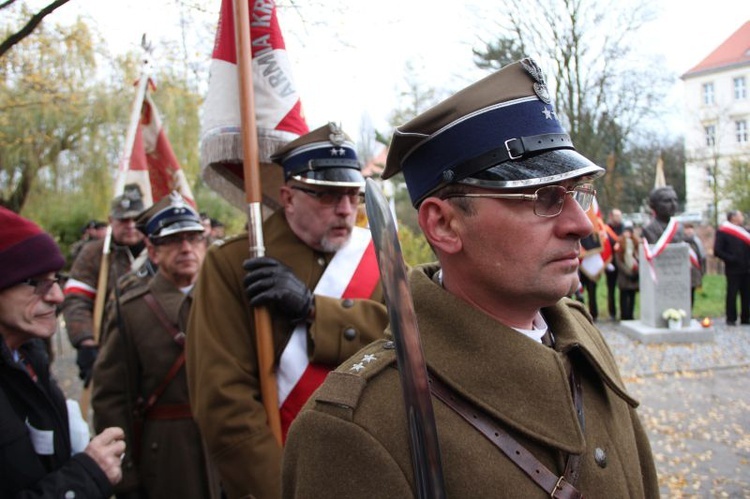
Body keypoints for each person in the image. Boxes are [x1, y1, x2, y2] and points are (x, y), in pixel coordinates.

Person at [283, 58, 658, 497]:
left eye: (578, 194)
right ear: (443, 225)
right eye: (544, 196)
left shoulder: (581, 336)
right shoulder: (356, 428)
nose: (583, 225)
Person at [186, 123, 389, 499]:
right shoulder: (233, 263)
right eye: (328, 196)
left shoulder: (379, 255)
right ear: (288, 196)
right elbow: (223, 402)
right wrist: (280, 489)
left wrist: (316, 312)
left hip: (374, 471)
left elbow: (408, 342)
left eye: (353, 195)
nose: (346, 210)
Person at [92, 192, 218, 498]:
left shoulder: (225, 300)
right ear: (152, 250)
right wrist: (126, 477)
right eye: (174, 240)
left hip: (224, 445)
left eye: (193, 238)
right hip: (166, 456)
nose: (186, 248)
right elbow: (111, 399)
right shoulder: (131, 309)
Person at [0, 206, 125, 498]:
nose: (57, 296)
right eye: (37, 283)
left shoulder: (28, 358)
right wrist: (86, 476)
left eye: (56, 279)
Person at [62, 184, 147, 387]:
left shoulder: (160, 250)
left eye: (136, 219)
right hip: (110, 349)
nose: (130, 225)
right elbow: (76, 299)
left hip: (155, 347)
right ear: (111, 221)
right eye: (123, 220)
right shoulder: (94, 253)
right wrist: (85, 341)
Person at [713, 210, 750, 326]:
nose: (742, 217)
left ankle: (746, 317)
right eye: (740, 215)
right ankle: (731, 318)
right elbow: (717, 250)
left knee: (747, 294)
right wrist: (731, 259)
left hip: (747, 268)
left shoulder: (745, 231)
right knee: (732, 293)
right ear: (733, 218)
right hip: (733, 268)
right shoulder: (723, 231)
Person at [615, 221, 640, 320]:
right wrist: (627, 272)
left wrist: (636, 271)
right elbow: (618, 261)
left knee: (632, 296)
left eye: (629, 232)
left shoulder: (636, 243)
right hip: (624, 275)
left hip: (634, 273)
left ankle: (631, 314)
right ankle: (624, 314)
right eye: (625, 232)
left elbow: (638, 257)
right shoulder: (619, 244)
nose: (627, 234)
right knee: (623, 296)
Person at [604, 209, 623, 320]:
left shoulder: (623, 228)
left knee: (622, 289)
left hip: (621, 264)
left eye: (620, 215)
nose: (619, 218)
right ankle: (612, 313)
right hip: (610, 263)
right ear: (611, 216)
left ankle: (622, 311)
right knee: (611, 290)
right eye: (617, 215)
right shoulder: (606, 229)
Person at [683, 222, 707, 307]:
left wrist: (702, 271)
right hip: (683, 272)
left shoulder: (697, 242)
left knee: (692, 294)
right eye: (687, 229)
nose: (689, 231)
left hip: (694, 272)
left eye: (690, 228)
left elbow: (702, 257)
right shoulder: (680, 241)